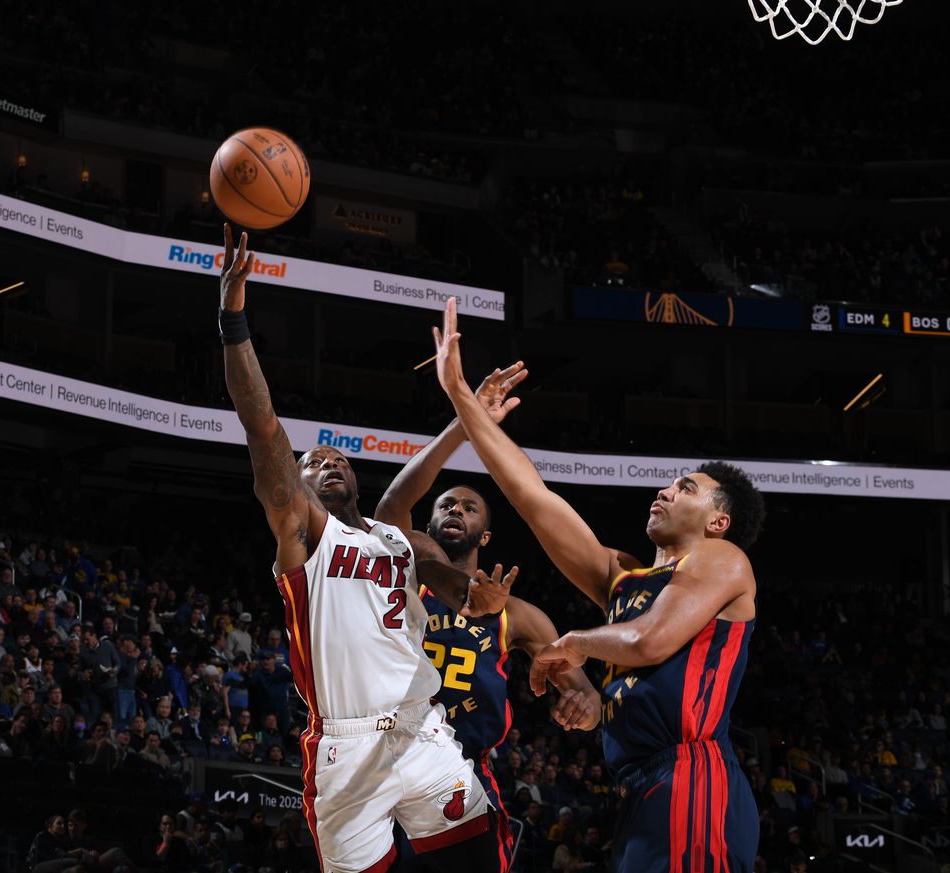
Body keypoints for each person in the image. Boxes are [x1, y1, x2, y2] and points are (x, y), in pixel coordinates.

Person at [430, 297, 766, 873]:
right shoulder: (626, 578)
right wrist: (464, 403)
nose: (665, 491)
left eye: (685, 488)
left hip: (693, 775)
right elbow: (534, 500)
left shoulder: (722, 558)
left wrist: (572, 644)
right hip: (640, 783)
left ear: (718, 520)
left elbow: (646, 644)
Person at [218, 224, 513, 873]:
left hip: (422, 730)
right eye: (310, 461)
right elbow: (261, 422)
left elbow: (440, 569)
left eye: (335, 457)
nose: (325, 462)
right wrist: (234, 322)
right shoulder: (304, 538)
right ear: (293, 486)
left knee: (482, 858)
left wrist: (473, 595)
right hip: (347, 748)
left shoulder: (393, 535)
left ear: (352, 477)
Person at [372, 365, 602, 873]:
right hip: (386, 758)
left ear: (486, 535)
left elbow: (583, 691)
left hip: (462, 768)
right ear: (427, 524)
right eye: (446, 504)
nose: (456, 509)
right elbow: (391, 507)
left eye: (469, 506)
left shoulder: (519, 615)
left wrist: (585, 706)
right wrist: (464, 416)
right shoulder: (405, 573)